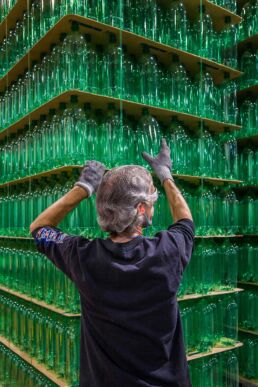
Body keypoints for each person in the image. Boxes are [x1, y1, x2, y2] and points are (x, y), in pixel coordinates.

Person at [30, 139, 194, 387]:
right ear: (140, 209)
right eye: (152, 200)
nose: (154, 205)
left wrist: (83, 187)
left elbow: (39, 228)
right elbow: (185, 222)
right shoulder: (167, 251)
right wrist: (166, 177)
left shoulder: (82, 257)